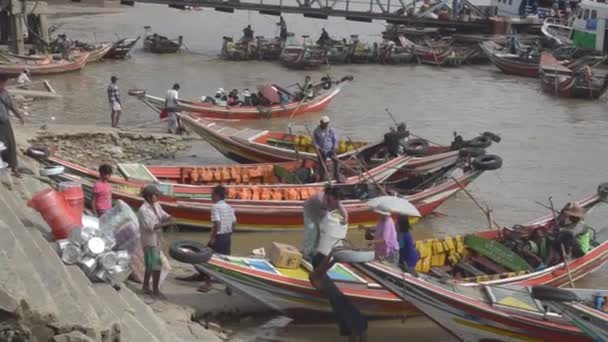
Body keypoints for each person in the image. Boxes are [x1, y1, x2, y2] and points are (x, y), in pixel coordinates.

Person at [309, 250, 368, 342]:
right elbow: (323, 266)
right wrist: (331, 253)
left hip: (345, 301)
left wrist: (335, 259)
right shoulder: (314, 276)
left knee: (361, 329)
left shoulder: (323, 272)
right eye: (324, 261)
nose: (327, 262)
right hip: (340, 306)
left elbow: (328, 265)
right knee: (353, 330)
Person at [137, 185, 174, 297]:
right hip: (149, 240)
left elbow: (163, 215)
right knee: (156, 265)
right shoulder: (143, 210)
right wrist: (166, 224)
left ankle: (145, 287)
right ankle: (155, 290)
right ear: (148, 196)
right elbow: (150, 227)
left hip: (157, 239)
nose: (157, 197)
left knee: (150, 264)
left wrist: (169, 217)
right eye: (155, 195)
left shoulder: (157, 205)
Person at [198, 185, 236, 292]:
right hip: (227, 236)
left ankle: (208, 283)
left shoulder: (215, 207)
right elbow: (234, 223)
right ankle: (229, 285)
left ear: (217, 195)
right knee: (225, 260)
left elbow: (217, 223)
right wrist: (229, 233)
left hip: (219, 236)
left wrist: (213, 238)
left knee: (207, 259)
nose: (211, 196)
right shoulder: (229, 207)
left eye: (212, 194)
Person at [302, 186, 348, 264]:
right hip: (310, 213)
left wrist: (346, 218)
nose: (336, 201)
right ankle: (306, 254)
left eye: (337, 199)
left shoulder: (334, 200)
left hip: (320, 215)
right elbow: (326, 207)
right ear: (330, 196)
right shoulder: (320, 199)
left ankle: (314, 253)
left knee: (320, 235)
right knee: (312, 234)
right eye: (335, 199)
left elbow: (341, 208)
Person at [0, 75, 25, 178]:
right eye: (2, 83)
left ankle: (14, 167)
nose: (4, 85)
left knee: (11, 143)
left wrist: (19, 115)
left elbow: (11, 105)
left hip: (5, 121)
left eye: (4, 83)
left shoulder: (4, 93)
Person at [313, 116, 340, 182]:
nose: (326, 125)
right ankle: (322, 178)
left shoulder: (331, 130)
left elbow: (335, 140)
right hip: (321, 150)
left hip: (330, 150)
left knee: (336, 161)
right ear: (321, 123)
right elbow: (314, 142)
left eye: (327, 123)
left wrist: (334, 148)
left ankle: (336, 175)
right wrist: (318, 148)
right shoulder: (316, 131)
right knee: (322, 165)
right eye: (324, 123)